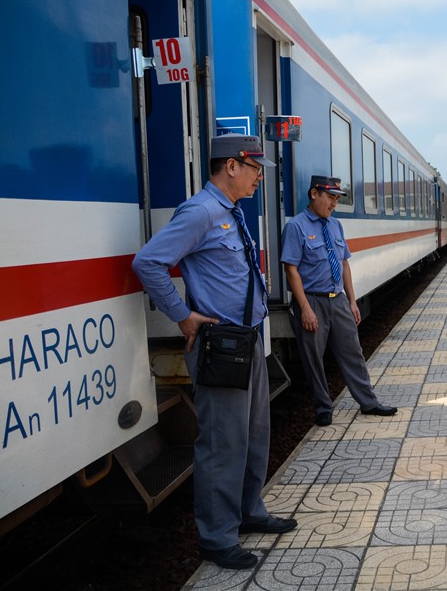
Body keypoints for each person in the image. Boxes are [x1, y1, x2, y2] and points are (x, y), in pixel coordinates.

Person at [132, 134, 296, 570]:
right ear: (231, 166)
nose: (260, 177)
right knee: (223, 443)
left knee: (254, 434)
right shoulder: (201, 211)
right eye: (256, 168)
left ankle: (249, 511)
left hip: (247, 339)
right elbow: (148, 262)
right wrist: (182, 315)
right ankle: (217, 539)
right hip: (220, 346)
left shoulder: (229, 212)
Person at [280, 176, 397, 426]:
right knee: (314, 359)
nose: (334, 203)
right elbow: (291, 271)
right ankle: (323, 408)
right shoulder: (296, 227)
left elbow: (344, 264)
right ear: (314, 194)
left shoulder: (335, 225)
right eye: (330, 197)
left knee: (353, 352)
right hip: (313, 301)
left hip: (338, 300)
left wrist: (352, 301)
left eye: (336, 198)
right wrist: (305, 309)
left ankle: (369, 402)